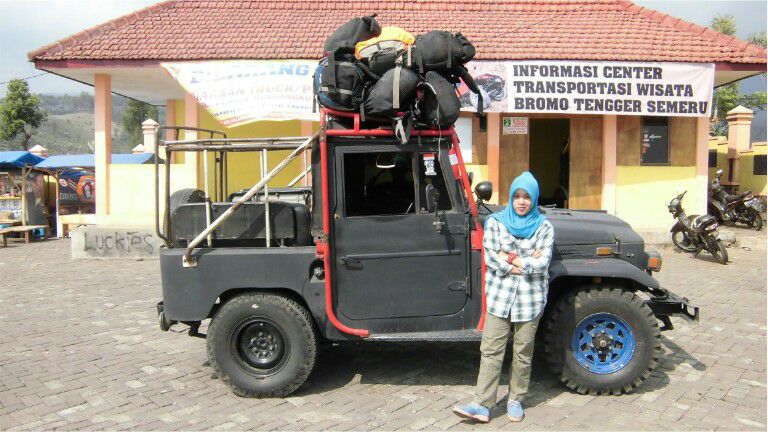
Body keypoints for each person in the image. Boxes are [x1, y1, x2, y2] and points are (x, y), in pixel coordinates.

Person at [453, 171, 555, 423]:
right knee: (490, 350)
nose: (521, 202)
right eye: (517, 196)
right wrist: (522, 261)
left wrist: (509, 256)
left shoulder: (544, 227)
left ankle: (515, 399)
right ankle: (482, 404)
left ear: (534, 200)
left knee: (523, 353)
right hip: (500, 298)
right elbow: (491, 257)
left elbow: (543, 262)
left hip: (530, 300)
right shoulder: (496, 222)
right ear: (510, 197)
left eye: (527, 197)